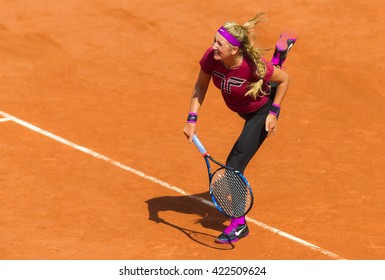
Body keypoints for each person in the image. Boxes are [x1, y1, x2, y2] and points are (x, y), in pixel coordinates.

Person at [183, 12, 297, 244]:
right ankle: (277, 58)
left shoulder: (251, 66)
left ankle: (239, 225)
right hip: (247, 103)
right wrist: (192, 118)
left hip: (261, 112)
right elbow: (200, 85)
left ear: (234, 50)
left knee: (234, 167)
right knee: (263, 77)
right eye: (214, 40)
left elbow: (285, 80)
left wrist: (274, 113)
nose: (213, 46)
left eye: (219, 44)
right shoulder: (211, 58)